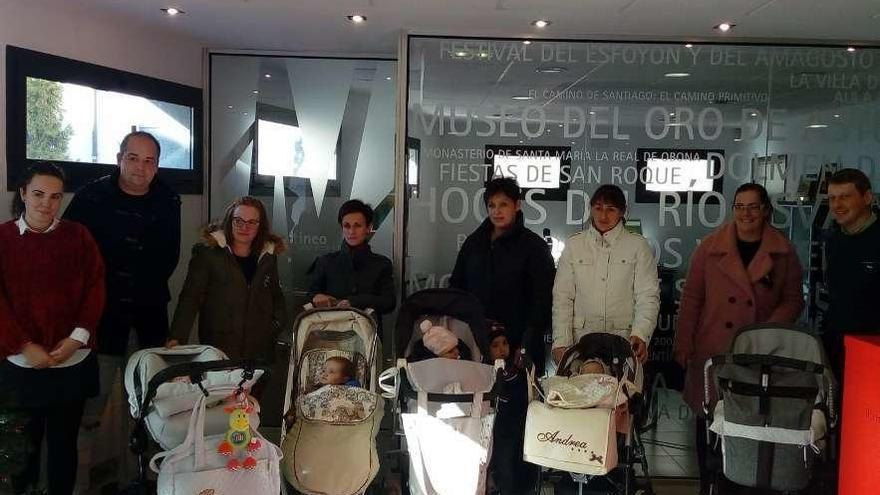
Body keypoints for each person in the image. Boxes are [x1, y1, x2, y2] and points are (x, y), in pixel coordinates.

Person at [673, 183, 804, 495]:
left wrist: (767, 330)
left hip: (760, 355)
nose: (746, 213)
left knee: (751, 425)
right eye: (740, 206)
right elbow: (691, 299)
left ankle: (744, 484)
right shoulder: (710, 247)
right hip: (713, 350)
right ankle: (709, 485)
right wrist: (683, 344)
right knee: (708, 424)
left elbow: (793, 300)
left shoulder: (783, 251)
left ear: (766, 211)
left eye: (753, 207)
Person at [0, 162, 105, 495]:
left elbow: (96, 288)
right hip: (20, 365)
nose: (46, 203)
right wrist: (23, 344)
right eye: (38, 194)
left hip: (70, 363)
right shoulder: (2, 239)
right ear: (23, 194)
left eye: (55, 196)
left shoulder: (78, 236)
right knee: (20, 453)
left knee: (63, 451)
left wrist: (77, 338)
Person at [450, 177, 555, 375]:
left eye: (503, 204)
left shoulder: (534, 247)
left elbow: (543, 302)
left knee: (520, 403)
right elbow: (456, 288)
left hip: (519, 347)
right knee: (476, 403)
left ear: (517, 205)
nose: (497, 211)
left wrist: (526, 345)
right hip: (476, 344)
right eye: (491, 205)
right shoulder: (474, 243)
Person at [167, 196, 286, 361]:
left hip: (260, 347)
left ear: (261, 226)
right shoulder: (208, 253)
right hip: (219, 346)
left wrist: (275, 325)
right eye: (239, 220)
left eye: (252, 222)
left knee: (256, 387)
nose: (245, 227)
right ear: (230, 221)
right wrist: (177, 337)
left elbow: (276, 295)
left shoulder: (268, 255)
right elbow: (190, 297)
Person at [552, 184, 660, 366]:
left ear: (622, 212)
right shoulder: (574, 245)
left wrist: (641, 334)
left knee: (624, 394)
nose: (603, 215)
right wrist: (561, 341)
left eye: (611, 209)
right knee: (578, 393)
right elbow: (563, 297)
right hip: (580, 344)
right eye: (598, 208)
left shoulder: (638, 246)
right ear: (591, 209)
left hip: (624, 344)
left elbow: (647, 296)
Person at [823, 168, 879, 377]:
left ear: (867, 197)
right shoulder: (833, 241)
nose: (837, 205)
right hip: (837, 349)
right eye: (832, 198)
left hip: (873, 352)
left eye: (845, 197)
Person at [308, 199, 395, 316]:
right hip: (331, 330)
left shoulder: (382, 264)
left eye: (357, 225)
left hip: (368, 331)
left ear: (368, 228)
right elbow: (310, 295)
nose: (351, 231)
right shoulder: (326, 262)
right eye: (346, 226)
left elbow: (389, 302)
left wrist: (354, 302)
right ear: (342, 228)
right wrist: (316, 297)